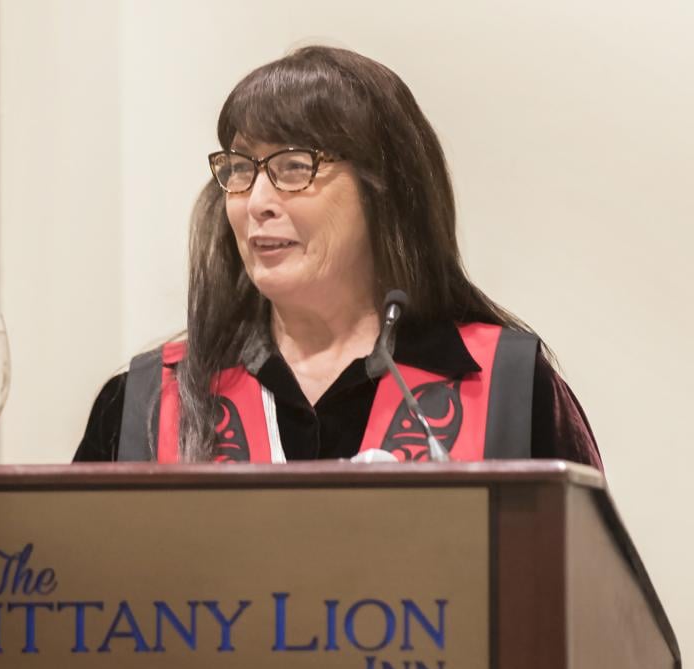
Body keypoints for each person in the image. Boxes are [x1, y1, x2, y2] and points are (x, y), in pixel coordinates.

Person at [74, 45, 601, 468]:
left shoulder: (507, 385)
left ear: (385, 190)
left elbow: (592, 597)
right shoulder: (146, 404)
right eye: (240, 169)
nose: (257, 202)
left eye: (294, 166)